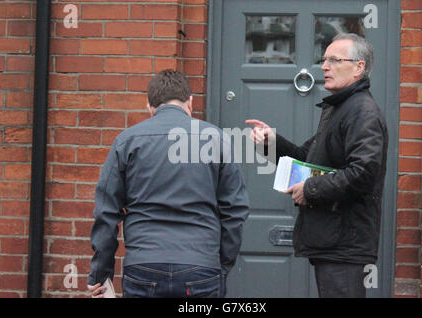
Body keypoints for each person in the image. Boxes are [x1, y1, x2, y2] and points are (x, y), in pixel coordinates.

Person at [246, 33, 388, 298]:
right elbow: (306, 156)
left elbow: (363, 173)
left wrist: (310, 189)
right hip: (335, 240)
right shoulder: (341, 108)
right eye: (324, 60)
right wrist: (271, 142)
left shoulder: (362, 112)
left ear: (359, 67)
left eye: (335, 60)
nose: (324, 66)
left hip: (345, 243)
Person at [87, 69, 249, 298]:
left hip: (144, 265)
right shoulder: (217, 139)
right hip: (201, 266)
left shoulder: (127, 141)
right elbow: (235, 210)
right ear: (190, 102)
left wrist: (101, 274)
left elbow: (106, 212)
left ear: (149, 107)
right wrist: (221, 264)